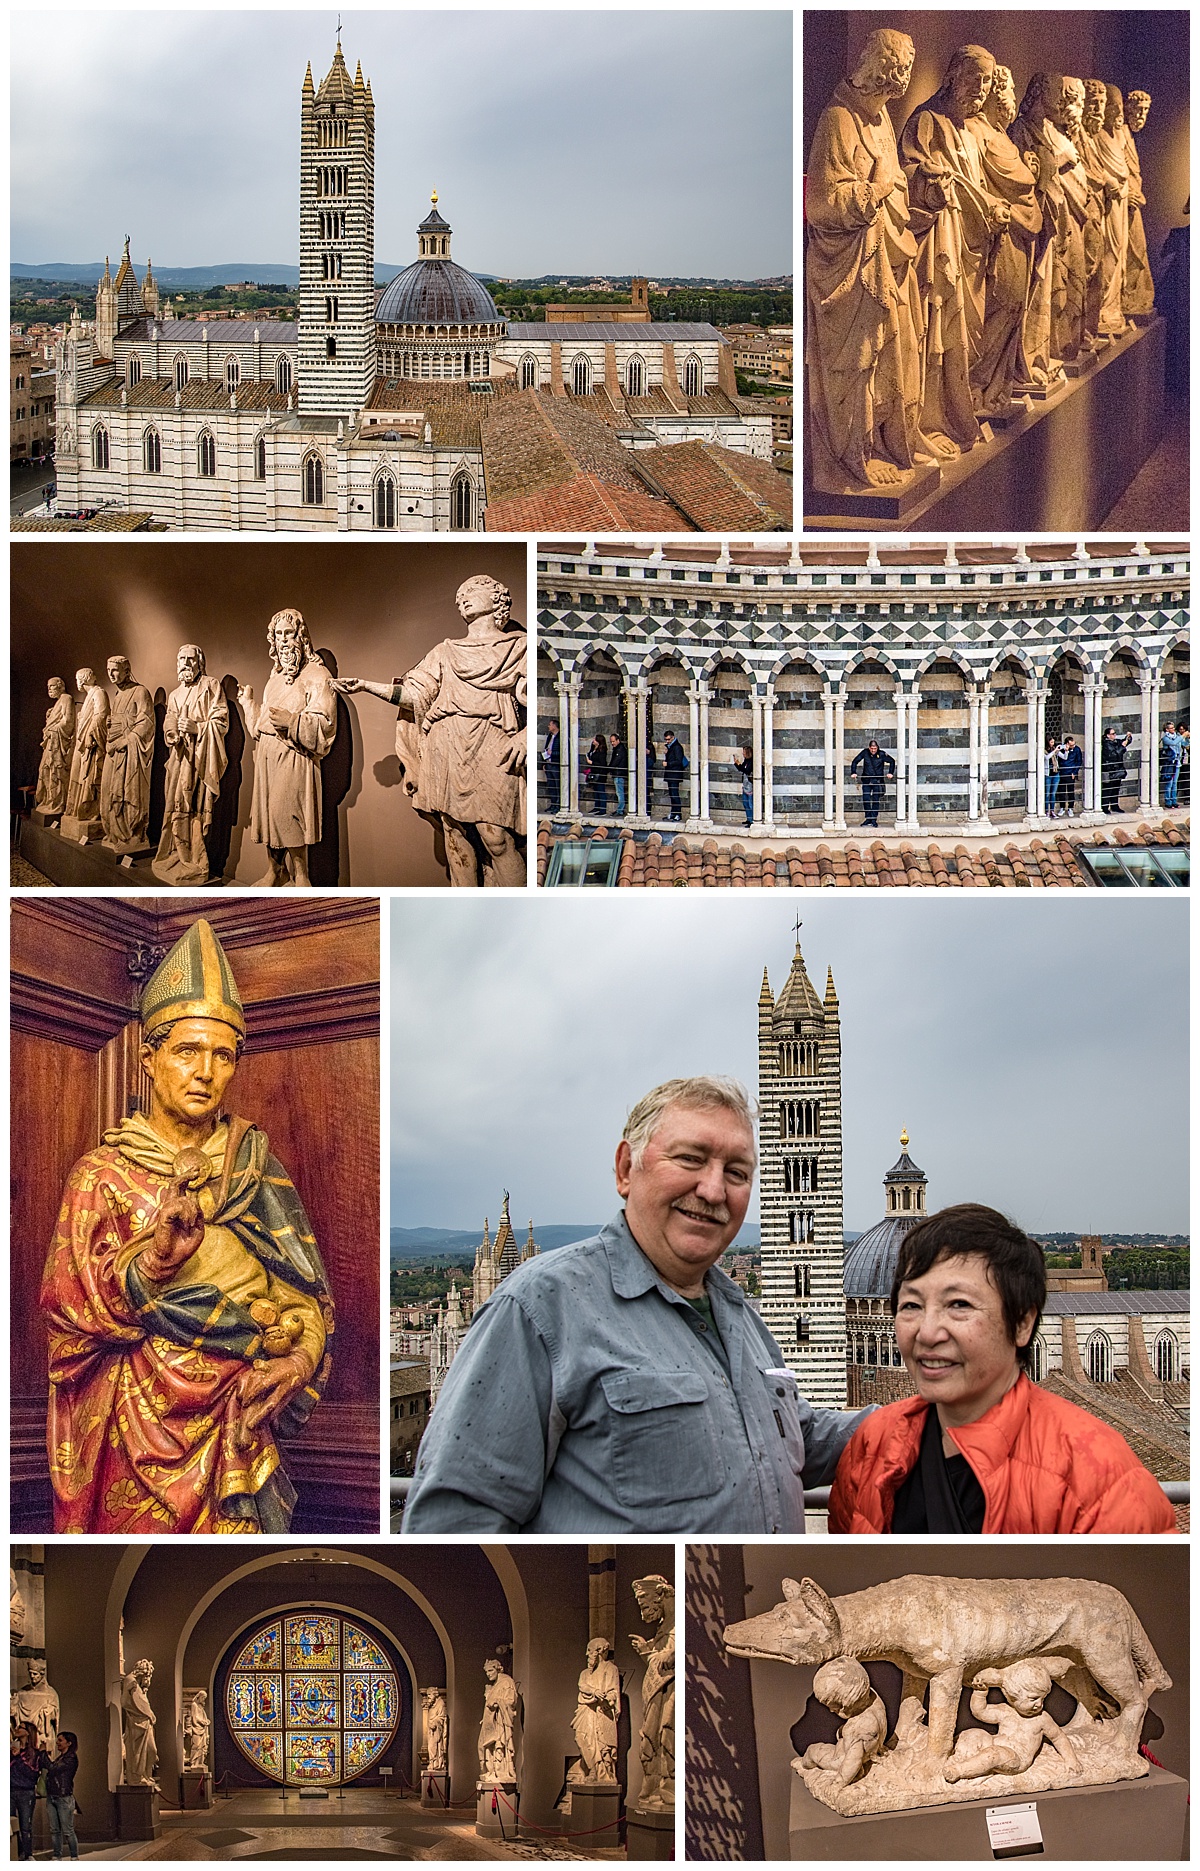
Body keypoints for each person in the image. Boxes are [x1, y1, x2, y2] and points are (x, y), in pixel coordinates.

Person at [404, 1076, 869, 1532]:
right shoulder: (541, 1307)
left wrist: (923, 1415)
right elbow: (452, 1524)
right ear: (626, 1169)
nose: (713, 1190)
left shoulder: (740, 1312)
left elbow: (796, 1444)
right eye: (690, 1159)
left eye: (737, 1173)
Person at [41, 917, 334, 1533]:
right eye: (187, 1051)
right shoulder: (100, 1175)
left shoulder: (256, 1168)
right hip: (130, 1428)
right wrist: (153, 1264)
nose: (206, 1071)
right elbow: (67, 1313)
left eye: (222, 1055)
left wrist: (301, 1359)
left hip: (241, 1422)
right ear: (149, 1059)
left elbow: (305, 1297)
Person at [828, 1203, 1175, 1533]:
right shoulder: (871, 1444)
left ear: (1022, 1323)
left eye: (959, 1304)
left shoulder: (1102, 1477)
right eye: (911, 1305)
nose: (927, 1332)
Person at [334, 574, 526, 887]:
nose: (462, 597)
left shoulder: (519, 648)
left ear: (496, 600)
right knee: (452, 830)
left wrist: (527, 735)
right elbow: (413, 695)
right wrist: (367, 686)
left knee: (496, 837)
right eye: (460, 594)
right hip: (446, 742)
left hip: (492, 740)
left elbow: (543, 695)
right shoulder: (444, 652)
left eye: (472, 590)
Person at [237, 609, 337, 888]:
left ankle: (301, 876)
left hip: (294, 756)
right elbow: (258, 729)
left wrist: (292, 721)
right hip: (268, 758)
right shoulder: (273, 680)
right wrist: (249, 705)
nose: (283, 641)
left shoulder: (318, 675)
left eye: (288, 633)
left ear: (301, 636)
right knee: (270, 816)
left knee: (290, 816)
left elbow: (326, 725)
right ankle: (274, 871)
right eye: (278, 635)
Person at [152, 643, 229, 885]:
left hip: (200, 759)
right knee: (174, 806)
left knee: (193, 807)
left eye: (190, 659)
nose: (185, 663)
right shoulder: (175, 694)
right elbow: (169, 720)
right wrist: (172, 734)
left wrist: (198, 728)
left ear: (199, 663)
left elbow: (220, 720)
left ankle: (195, 861)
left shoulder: (210, 686)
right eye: (181, 659)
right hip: (179, 758)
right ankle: (176, 854)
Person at [10, 1726, 48, 1862]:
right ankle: (16, 1852)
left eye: (21, 1727)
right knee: (10, 1825)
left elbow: (32, 1775)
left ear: (28, 1732)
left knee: (25, 1826)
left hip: (26, 1792)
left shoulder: (34, 1753)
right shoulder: (10, 1749)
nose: (17, 1728)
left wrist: (18, 1757)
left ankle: (27, 1854)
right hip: (9, 1791)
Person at [45, 1732, 79, 1861]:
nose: (57, 1743)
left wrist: (43, 1754)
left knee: (67, 1830)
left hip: (63, 1797)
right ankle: (57, 1854)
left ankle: (74, 1856)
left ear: (69, 1743)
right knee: (54, 1829)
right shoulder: (61, 1758)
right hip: (52, 1796)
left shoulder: (71, 1758)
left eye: (60, 1740)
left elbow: (53, 1768)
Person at [849, 739, 895, 827]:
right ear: (869, 748)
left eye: (875, 748)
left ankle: (873, 819)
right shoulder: (865, 752)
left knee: (875, 800)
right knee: (866, 799)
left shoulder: (881, 754)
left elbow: (892, 761)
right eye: (871, 748)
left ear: (877, 748)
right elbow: (855, 761)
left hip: (877, 781)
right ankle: (868, 818)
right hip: (866, 780)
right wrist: (853, 772)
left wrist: (890, 773)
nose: (873, 750)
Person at [1100, 724, 1132, 812]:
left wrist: (1128, 737)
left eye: (1115, 733)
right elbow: (1114, 754)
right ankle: (1105, 807)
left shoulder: (1115, 742)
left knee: (1115, 789)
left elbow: (1125, 742)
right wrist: (1122, 747)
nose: (1114, 735)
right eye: (1113, 734)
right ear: (1108, 735)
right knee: (1107, 789)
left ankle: (1114, 806)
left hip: (1117, 769)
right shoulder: (1106, 744)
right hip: (1109, 770)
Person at [663, 730, 688, 820]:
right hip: (671, 774)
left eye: (669, 739)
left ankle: (678, 813)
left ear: (673, 737)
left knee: (674, 794)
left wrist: (668, 764)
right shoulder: (670, 747)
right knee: (671, 794)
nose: (667, 741)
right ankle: (673, 812)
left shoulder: (677, 747)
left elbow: (678, 761)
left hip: (675, 774)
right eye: (666, 739)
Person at [1160, 721, 1183, 809]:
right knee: (1169, 783)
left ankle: (1174, 800)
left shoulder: (1177, 736)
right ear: (1167, 729)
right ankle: (1167, 801)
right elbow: (1173, 743)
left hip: (1177, 762)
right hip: (1170, 763)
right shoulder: (1165, 738)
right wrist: (1182, 736)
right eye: (1171, 728)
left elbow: (1182, 744)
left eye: (1173, 728)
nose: (1173, 729)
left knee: (1175, 783)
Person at [1057, 735, 1082, 816]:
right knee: (1062, 791)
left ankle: (1070, 808)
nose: (1073, 746)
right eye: (1071, 745)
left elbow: (1078, 761)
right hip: (1062, 772)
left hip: (1071, 773)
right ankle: (1062, 807)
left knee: (1071, 791)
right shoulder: (1062, 749)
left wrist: (1074, 772)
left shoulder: (1077, 749)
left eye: (1074, 744)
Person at [542, 721, 561, 813]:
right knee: (551, 786)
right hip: (549, 764)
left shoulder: (561, 737)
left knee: (558, 786)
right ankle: (553, 805)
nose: (548, 726)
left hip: (556, 765)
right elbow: (546, 749)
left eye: (550, 724)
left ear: (554, 726)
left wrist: (552, 753)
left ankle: (559, 806)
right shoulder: (550, 736)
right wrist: (544, 763)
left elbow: (564, 752)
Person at [733, 748, 754, 829]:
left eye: (744, 752)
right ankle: (748, 819)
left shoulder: (752, 761)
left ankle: (752, 820)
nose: (743, 754)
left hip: (750, 785)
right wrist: (737, 764)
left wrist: (739, 765)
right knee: (745, 803)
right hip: (745, 784)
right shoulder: (746, 760)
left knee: (750, 804)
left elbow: (747, 771)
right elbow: (742, 768)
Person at [609, 732, 628, 816]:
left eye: (613, 741)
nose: (612, 743)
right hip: (617, 773)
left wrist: (609, 768)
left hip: (619, 773)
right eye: (611, 742)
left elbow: (616, 761)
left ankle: (620, 810)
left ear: (618, 740)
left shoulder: (620, 750)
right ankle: (619, 809)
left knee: (619, 792)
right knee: (619, 792)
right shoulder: (618, 749)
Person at [1044, 735, 1062, 817]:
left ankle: (1052, 811)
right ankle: (1046, 811)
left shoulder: (1054, 749)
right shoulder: (1043, 750)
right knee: (1047, 794)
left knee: (1053, 794)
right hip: (1047, 774)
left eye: (1053, 742)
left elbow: (1064, 757)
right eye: (1051, 742)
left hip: (1055, 773)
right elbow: (1047, 758)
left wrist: (1066, 750)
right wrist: (1054, 751)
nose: (1053, 743)